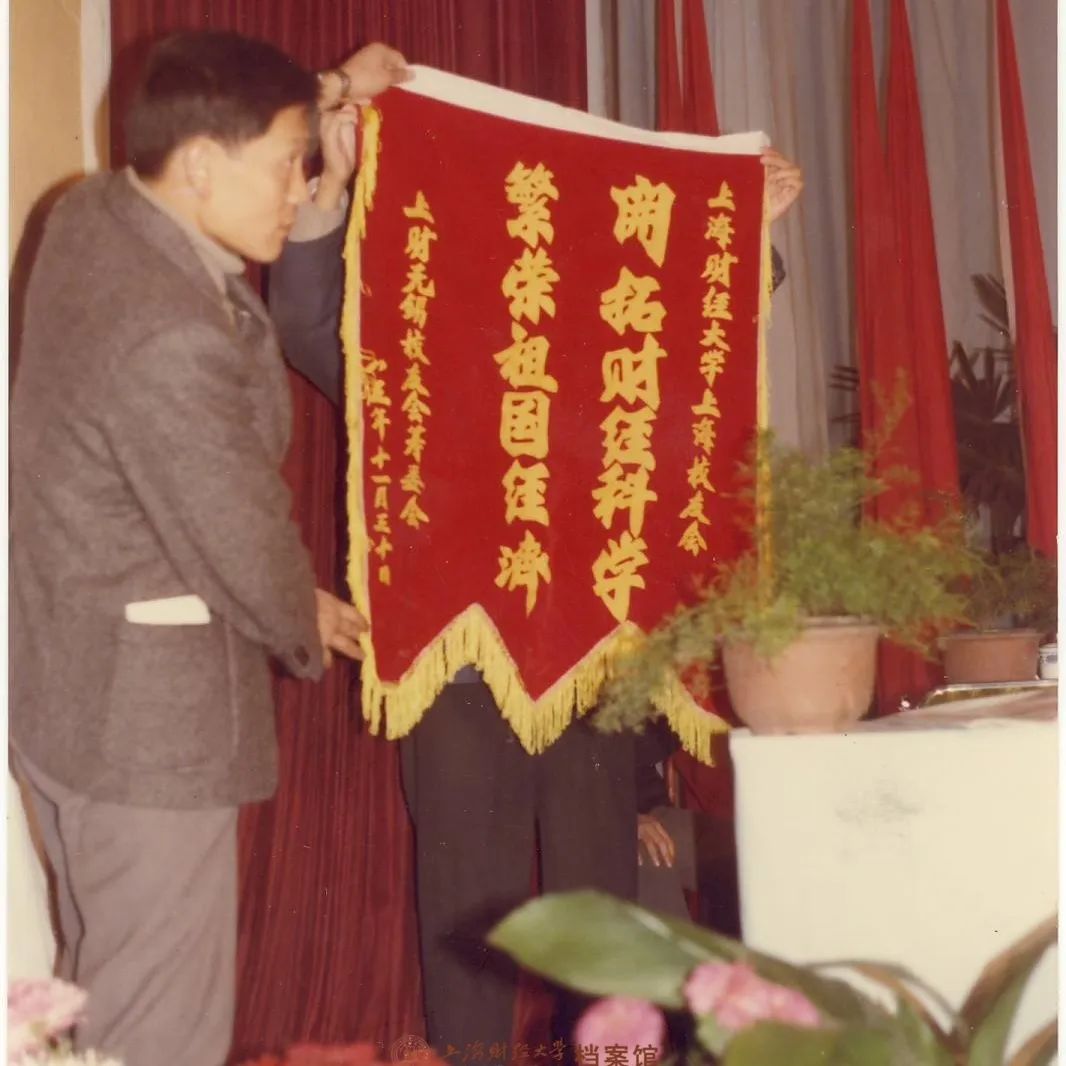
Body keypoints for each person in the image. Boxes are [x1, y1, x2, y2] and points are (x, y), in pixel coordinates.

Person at [272, 99, 802, 1050]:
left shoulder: (605, 364)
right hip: (458, 662)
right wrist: (337, 186)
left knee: (601, 910)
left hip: (592, 665)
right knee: (465, 905)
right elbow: (310, 321)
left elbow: (697, 349)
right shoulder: (416, 360)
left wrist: (747, 228)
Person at [9, 30, 406, 1066]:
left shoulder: (90, 213)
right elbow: (235, 523)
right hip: (149, 735)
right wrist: (297, 611)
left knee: (95, 1006)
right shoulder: (169, 331)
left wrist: (330, 87)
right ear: (198, 165)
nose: (302, 185)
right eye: (287, 163)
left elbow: (174, 493)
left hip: (67, 692)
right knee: (161, 1033)